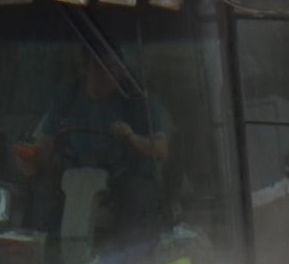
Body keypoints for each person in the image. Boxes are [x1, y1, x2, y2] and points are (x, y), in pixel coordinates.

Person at [13, 50, 172, 250]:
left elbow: (161, 149)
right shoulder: (66, 98)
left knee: (141, 195)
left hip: (122, 185)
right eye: (102, 67)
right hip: (68, 186)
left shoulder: (137, 101)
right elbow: (46, 146)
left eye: (114, 68)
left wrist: (131, 137)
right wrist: (31, 158)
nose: (110, 74)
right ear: (84, 68)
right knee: (42, 194)